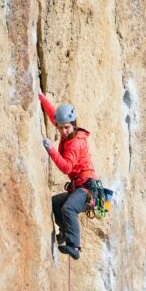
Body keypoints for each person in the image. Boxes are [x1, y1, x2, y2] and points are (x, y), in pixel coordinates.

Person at [39, 92, 96, 260]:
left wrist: (51, 150)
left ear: (73, 125)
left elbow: (66, 167)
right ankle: (64, 232)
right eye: (61, 127)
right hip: (78, 186)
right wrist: (41, 97)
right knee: (55, 203)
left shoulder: (76, 143)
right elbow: (53, 116)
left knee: (68, 208)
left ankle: (74, 246)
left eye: (67, 127)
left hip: (86, 189)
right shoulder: (67, 133)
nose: (63, 131)